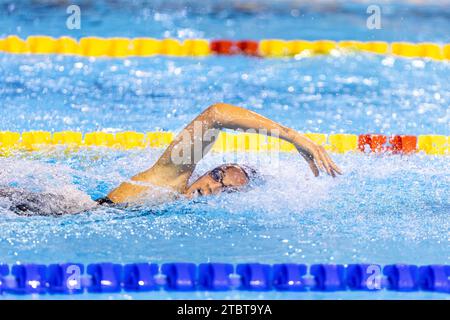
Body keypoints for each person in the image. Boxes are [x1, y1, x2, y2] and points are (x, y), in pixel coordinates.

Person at [2, 103, 341, 215]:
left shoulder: (180, 208)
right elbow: (216, 115)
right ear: (208, 170)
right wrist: (293, 136)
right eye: (219, 176)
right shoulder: (171, 179)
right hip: (50, 207)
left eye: (228, 191)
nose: (213, 188)